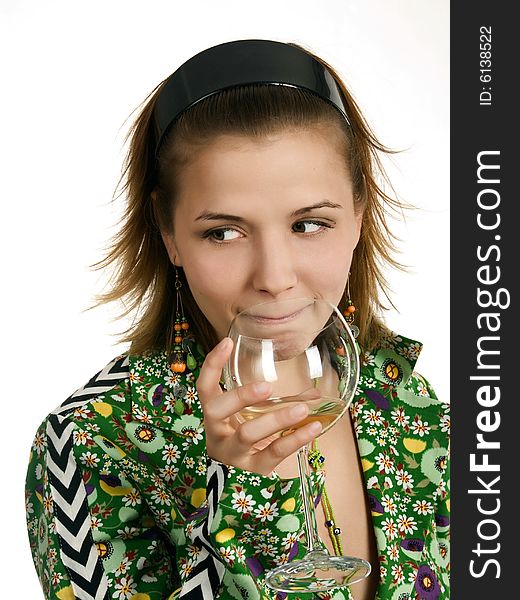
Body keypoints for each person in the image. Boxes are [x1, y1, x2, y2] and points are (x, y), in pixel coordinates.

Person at [25, 39, 450, 600]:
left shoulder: (405, 400)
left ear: (358, 214)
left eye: (309, 224)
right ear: (170, 233)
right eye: (223, 232)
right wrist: (248, 499)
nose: (274, 277)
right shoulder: (91, 444)